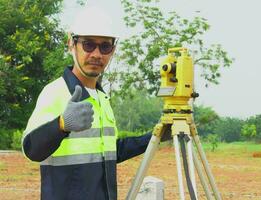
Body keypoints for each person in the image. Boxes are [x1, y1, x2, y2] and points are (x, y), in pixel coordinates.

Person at [21, 6, 168, 200]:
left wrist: (154, 137)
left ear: (113, 50)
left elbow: (108, 153)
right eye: (88, 44)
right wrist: (61, 125)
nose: (97, 54)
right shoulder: (55, 92)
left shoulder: (101, 97)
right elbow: (30, 149)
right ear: (71, 44)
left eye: (105, 46)